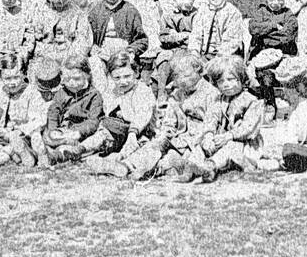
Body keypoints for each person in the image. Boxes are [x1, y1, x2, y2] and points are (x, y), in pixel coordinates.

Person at [177, 56, 271, 182]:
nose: (226, 84)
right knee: (202, 145)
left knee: (231, 147)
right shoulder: (219, 100)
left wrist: (229, 136)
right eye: (221, 81)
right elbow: (211, 119)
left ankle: (211, 167)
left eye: (231, 79)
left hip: (243, 142)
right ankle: (191, 169)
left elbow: (249, 127)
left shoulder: (251, 101)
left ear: (241, 79)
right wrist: (209, 135)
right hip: (221, 138)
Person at [81, 51, 159, 179]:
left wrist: (132, 133)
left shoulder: (143, 90)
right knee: (102, 134)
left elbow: (142, 115)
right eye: (117, 78)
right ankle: (80, 149)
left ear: (136, 73)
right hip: (121, 131)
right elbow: (108, 110)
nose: (123, 81)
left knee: (140, 147)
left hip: (140, 131)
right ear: (111, 77)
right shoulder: (115, 91)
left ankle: (119, 162)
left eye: (127, 76)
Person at [152, 51, 220, 180]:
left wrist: (204, 138)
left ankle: (187, 171)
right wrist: (164, 135)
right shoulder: (177, 94)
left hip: (200, 139)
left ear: (199, 71)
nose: (181, 80)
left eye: (186, 75)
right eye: (177, 76)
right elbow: (170, 121)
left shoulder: (211, 93)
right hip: (180, 139)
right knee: (162, 157)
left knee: (190, 158)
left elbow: (211, 121)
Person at [85, 0, 149, 95]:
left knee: (120, 76)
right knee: (95, 65)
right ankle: (101, 97)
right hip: (103, 53)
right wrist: (92, 47)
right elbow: (87, 36)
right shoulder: (95, 11)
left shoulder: (130, 10)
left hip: (123, 53)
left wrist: (131, 50)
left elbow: (142, 40)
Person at [0, 58, 48, 168]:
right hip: (4, 135)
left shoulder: (31, 93)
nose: (12, 83)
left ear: (23, 74)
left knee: (22, 140)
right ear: (0, 77)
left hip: (24, 135)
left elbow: (40, 119)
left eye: (16, 77)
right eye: (7, 78)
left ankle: (26, 155)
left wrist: (22, 129)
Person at [247, 0, 299, 120]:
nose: (275, 3)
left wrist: (264, 34)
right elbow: (253, 28)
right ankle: (270, 104)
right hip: (263, 55)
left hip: (284, 54)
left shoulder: (289, 15)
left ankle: (294, 107)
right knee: (264, 76)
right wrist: (274, 26)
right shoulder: (261, 12)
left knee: (289, 73)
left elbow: (287, 36)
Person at [42, 58, 104, 163]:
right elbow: (53, 111)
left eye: (76, 79)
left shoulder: (94, 95)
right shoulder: (62, 92)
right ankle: (49, 149)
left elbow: (94, 121)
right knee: (48, 135)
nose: (71, 83)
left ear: (87, 76)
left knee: (88, 142)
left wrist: (79, 132)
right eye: (67, 79)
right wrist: (53, 129)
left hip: (80, 131)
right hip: (62, 130)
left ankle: (59, 154)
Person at [30, 0, 92, 67]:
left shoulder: (78, 14)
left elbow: (83, 42)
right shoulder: (40, 11)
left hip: (70, 59)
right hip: (45, 58)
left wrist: (68, 57)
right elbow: (34, 37)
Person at [187, 0, 245, 65]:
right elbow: (196, 35)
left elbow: (231, 42)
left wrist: (217, 60)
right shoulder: (202, 11)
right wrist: (194, 52)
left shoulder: (233, 13)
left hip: (226, 57)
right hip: (204, 56)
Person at [152, 0, 198, 92]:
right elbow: (163, 37)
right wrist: (181, 36)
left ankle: (178, 89)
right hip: (170, 49)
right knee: (163, 60)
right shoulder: (168, 16)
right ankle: (161, 90)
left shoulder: (197, 15)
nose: (187, 2)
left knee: (186, 63)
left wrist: (180, 35)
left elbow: (197, 35)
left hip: (189, 49)